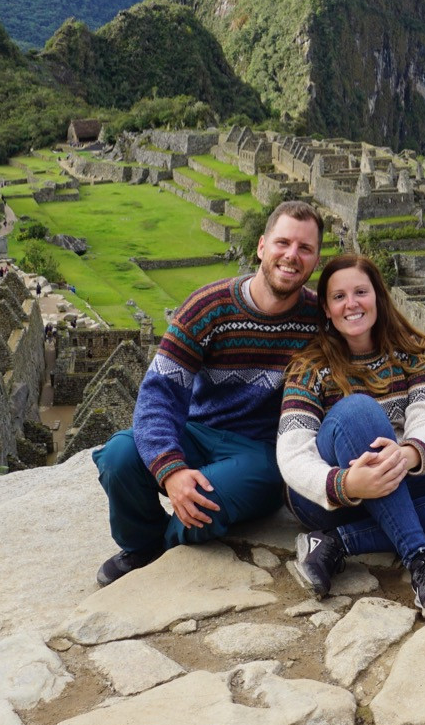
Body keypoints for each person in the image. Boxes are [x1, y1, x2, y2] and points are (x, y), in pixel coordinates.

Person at [91, 201, 325, 586]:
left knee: (208, 503)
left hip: (262, 451)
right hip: (197, 430)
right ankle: (141, 544)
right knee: (119, 456)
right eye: (283, 243)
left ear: (315, 259)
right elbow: (159, 395)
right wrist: (172, 470)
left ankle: (161, 550)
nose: (291, 256)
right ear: (262, 246)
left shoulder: (319, 321)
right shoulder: (208, 307)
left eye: (305, 248)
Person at [279, 254, 425, 618]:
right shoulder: (310, 368)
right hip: (327, 496)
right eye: (339, 297)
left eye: (360, 292)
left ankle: (336, 544)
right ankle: (422, 564)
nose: (351, 304)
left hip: (400, 477)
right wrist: (347, 483)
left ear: (378, 296)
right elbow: (292, 450)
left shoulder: (413, 353)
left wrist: (408, 454)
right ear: (326, 307)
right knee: (359, 411)